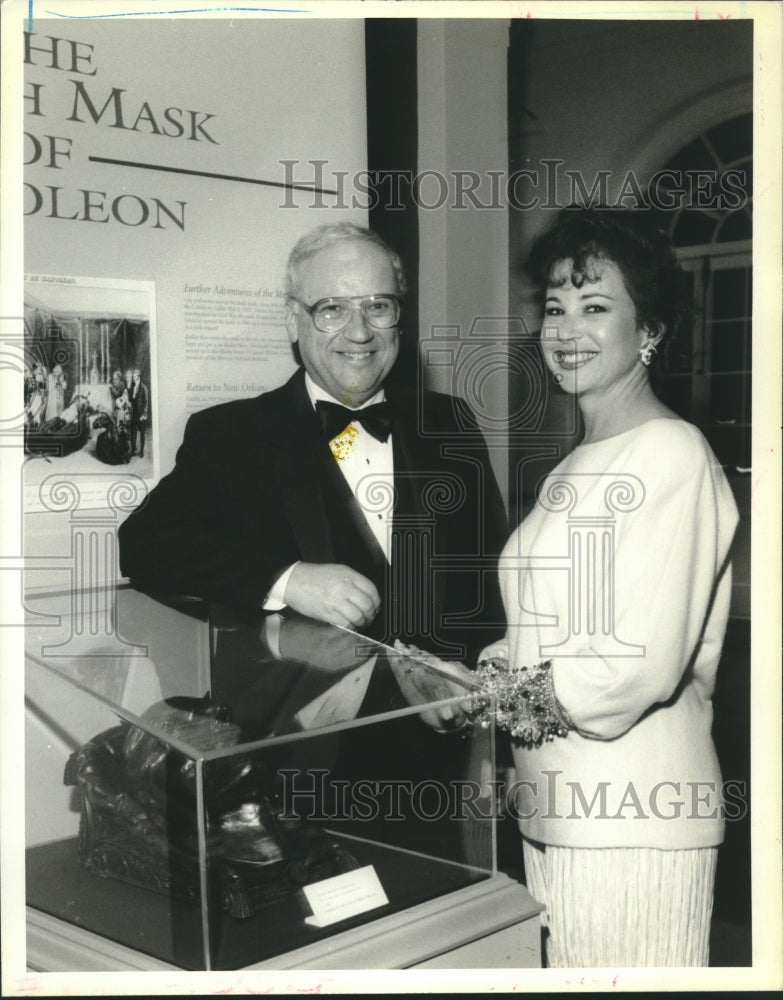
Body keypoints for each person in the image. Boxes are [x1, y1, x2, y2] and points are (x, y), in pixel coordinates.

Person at [473, 208, 739, 967]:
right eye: (554, 308)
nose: (566, 329)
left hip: (631, 814)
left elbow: (630, 667)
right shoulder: (571, 465)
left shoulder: (669, 452)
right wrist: (475, 672)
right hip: (557, 807)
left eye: (594, 307)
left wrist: (497, 697)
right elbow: (544, 631)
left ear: (647, 328)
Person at [118, 223, 506, 660]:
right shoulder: (229, 435)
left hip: (446, 716)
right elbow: (143, 544)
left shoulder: (450, 422)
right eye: (332, 309)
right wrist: (287, 580)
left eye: (378, 305)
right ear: (292, 320)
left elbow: (493, 576)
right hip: (304, 723)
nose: (359, 332)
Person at [129, 368, 149, 458]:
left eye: (135, 376)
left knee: (142, 433)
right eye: (133, 376)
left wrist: (144, 413)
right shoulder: (133, 387)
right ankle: (133, 450)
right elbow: (132, 400)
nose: (133, 378)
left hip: (141, 414)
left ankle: (141, 451)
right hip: (134, 413)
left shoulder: (144, 387)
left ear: (138, 377)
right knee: (133, 432)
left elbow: (146, 401)